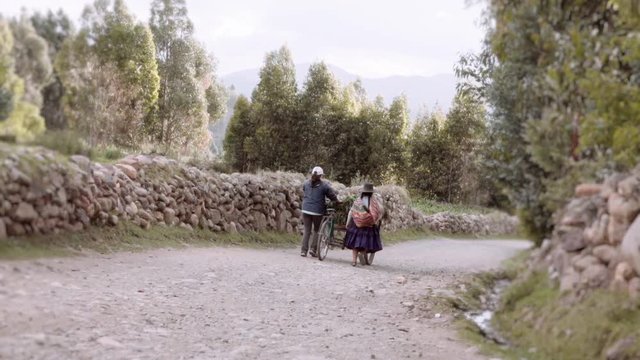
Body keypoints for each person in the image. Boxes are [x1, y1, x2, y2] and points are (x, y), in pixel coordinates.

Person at [300, 166, 339, 257]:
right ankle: (313, 249)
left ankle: (303, 251)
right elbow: (332, 195)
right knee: (317, 230)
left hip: (305, 209)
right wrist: (337, 201)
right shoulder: (324, 185)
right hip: (317, 211)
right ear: (321, 175)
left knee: (307, 230)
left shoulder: (306, 183)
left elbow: (305, 191)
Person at [344, 183, 384, 266]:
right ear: (371, 192)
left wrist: (347, 223)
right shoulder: (374, 202)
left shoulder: (358, 200)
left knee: (355, 244)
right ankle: (362, 253)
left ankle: (354, 261)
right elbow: (378, 213)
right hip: (368, 225)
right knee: (365, 242)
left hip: (357, 224)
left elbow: (351, 212)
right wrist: (375, 221)